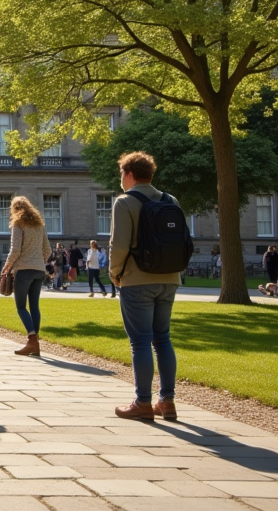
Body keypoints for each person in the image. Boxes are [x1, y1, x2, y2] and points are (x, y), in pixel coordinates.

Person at [109, 151, 183, 422]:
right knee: (162, 338)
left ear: (128, 174)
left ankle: (142, 402)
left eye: (121, 174)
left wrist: (115, 274)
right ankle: (167, 400)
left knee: (140, 340)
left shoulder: (125, 202)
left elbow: (119, 246)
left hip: (137, 278)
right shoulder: (170, 200)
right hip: (169, 278)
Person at [0, 197, 52, 356]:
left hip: (24, 270)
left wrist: (6, 267)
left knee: (21, 306)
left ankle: (32, 340)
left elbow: (15, 250)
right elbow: (47, 250)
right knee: (34, 306)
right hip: (39, 270)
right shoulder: (39, 225)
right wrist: (39, 262)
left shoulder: (18, 224)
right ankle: (34, 344)